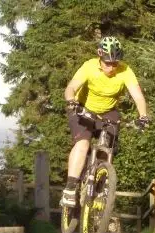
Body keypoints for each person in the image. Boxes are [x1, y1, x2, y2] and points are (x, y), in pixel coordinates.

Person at [60, 36, 150, 208]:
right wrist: (71, 101)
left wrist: (143, 116)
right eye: (107, 63)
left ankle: (99, 183)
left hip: (108, 112)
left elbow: (138, 96)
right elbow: (71, 87)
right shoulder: (89, 66)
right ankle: (70, 189)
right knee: (83, 143)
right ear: (99, 57)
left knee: (108, 149)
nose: (111, 67)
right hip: (83, 108)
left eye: (115, 63)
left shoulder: (125, 71)